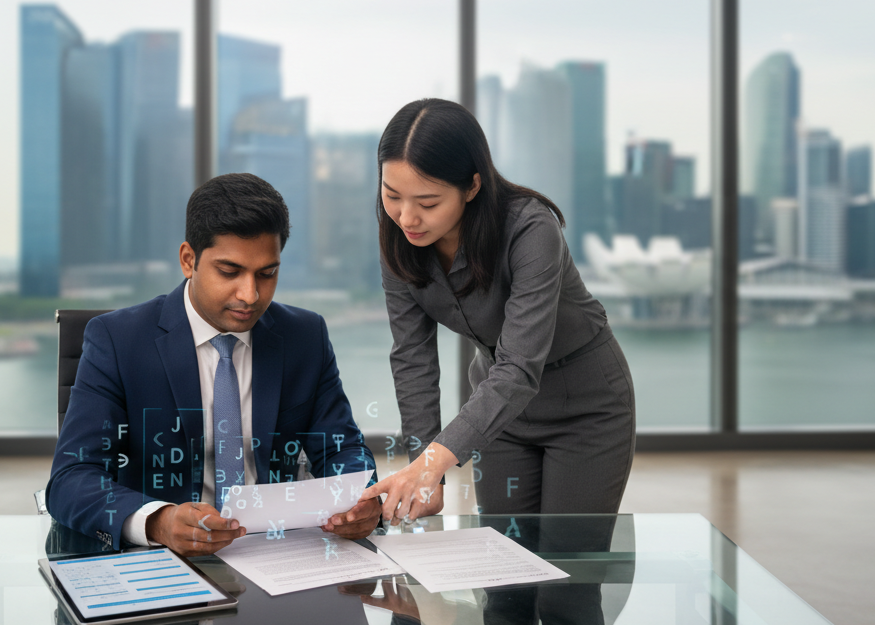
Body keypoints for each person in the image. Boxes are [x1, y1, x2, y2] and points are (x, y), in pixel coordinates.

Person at [46, 173, 381, 555]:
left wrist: (361, 499)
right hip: (162, 562)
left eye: (267, 274)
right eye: (229, 271)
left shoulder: (305, 336)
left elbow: (341, 448)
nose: (250, 295)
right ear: (189, 260)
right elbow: (71, 479)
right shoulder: (116, 341)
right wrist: (158, 521)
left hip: (280, 553)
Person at [363, 99, 636, 524]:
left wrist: (432, 464)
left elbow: (519, 366)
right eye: (392, 195)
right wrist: (424, 469)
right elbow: (412, 356)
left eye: (428, 202)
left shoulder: (530, 229)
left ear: (472, 187)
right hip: (499, 414)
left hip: (586, 408)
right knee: (504, 565)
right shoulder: (397, 237)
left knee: (569, 569)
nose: (406, 217)